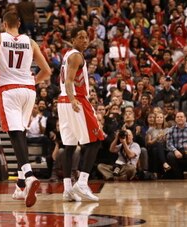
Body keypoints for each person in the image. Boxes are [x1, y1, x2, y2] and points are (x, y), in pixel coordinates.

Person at [0, 11, 51, 207]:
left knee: (15, 135)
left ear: (3, 24)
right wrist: (32, 80)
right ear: (19, 23)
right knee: (21, 136)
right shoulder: (31, 42)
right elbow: (47, 71)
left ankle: (28, 176)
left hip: (9, 91)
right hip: (28, 91)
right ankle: (19, 186)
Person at [57, 27, 104, 202]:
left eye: (86, 37)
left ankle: (67, 188)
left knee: (69, 146)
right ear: (72, 39)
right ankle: (82, 183)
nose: (85, 40)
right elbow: (69, 80)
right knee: (96, 141)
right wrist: (73, 99)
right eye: (81, 37)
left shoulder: (67, 55)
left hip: (62, 102)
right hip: (75, 99)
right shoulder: (76, 55)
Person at [166, 112, 187, 179]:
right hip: (176, 150)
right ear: (175, 119)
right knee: (170, 155)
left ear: (185, 118)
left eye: (181, 117)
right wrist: (175, 150)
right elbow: (169, 143)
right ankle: (178, 177)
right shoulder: (171, 129)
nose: (179, 118)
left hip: (186, 149)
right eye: (177, 117)